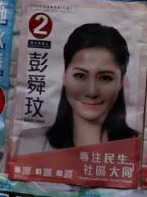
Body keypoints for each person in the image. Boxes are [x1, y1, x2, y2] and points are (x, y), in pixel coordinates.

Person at [16, 23, 138, 154]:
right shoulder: (29, 144)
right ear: (64, 76)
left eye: (105, 78)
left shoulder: (140, 147)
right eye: (80, 75)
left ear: (121, 82)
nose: (92, 91)